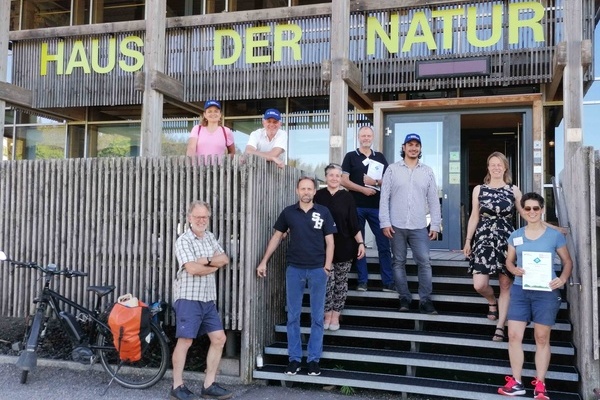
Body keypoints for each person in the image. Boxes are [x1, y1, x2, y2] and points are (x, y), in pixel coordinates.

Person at [256, 176, 336, 377]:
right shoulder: (289, 213)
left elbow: (331, 242)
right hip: (295, 269)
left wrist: (327, 266)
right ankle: (294, 360)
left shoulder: (323, 212)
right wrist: (264, 260)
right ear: (297, 191)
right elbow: (276, 237)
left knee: (317, 318)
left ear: (315, 191)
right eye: (303, 188)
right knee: (293, 317)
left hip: (318, 269)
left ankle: (314, 361)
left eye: (310, 188)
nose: (306, 192)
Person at [497, 192, 572, 400]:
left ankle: (540, 384)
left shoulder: (554, 235)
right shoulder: (516, 235)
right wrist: (513, 270)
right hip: (521, 290)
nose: (531, 212)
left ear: (542, 210)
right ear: (523, 211)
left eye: (536, 208)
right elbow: (509, 262)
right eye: (527, 208)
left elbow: (567, 262)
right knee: (513, 336)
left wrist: (563, 278)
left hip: (546, 292)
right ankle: (517, 383)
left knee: (541, 338)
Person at [171, 200, 232, 400]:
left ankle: (208, 385)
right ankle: (177, 386)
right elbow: (192, 269)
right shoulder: (183, 240)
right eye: (197, 216)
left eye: (204, 216)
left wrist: (205, 261)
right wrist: (211, 265)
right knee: (186, 340)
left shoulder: (210, 237)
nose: (201, 220)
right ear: (189, 218)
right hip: (188, 297)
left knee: (219, 338)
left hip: (207, 298)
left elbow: (224, 259)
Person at [463, 151, 523, 342]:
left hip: (507, 238)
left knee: (506, 284)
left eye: (500, 164)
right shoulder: (479, 189)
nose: (496, 167)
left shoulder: (514, 190)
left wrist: (545, 226)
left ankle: (500, 326)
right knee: (479, 284)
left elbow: (526, 212)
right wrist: (468, 240)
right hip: (484, 238)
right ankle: (491, 301)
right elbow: (474, 216)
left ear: (505, 167)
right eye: (492, 164)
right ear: (488, 168)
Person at [379, 133, 441, 315]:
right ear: (404, 147)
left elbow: (433, 200)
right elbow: (384, 198)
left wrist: (435, 224)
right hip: (396, 225)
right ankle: (404, 298)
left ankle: (425, 301)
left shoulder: (427, 171)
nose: (413, 148)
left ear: (420, 149)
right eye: (410, 144)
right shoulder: (391, 169)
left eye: (417, 145)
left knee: (425, 262)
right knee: (398, 262)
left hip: (419, 225)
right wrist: (385, 222)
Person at [341, 126, 394, 292]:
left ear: (373, 137)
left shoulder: (379, 157)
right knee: (359, 244)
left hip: (377, 208)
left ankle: (388, 282)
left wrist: (375, 183)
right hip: (356, 207)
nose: (366, 138)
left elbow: (389, 181)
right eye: (363, 135)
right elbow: (344, 181)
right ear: (358, 137)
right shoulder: (350, 156)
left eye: (368, 135)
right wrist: (363, 189)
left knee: (384, 244)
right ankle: (362, 281)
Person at [314, 163, 366, 331]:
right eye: (331, 175)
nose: (334, 178)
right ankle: (327, 313)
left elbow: (353, 223)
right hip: (323, 247)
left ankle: (336, 315)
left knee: (341, 283)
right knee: (326, 283)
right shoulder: (318, 196)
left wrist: (361, 242)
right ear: (326, 177)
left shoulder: (347, 197)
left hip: (345, 245)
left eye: (337, 175)